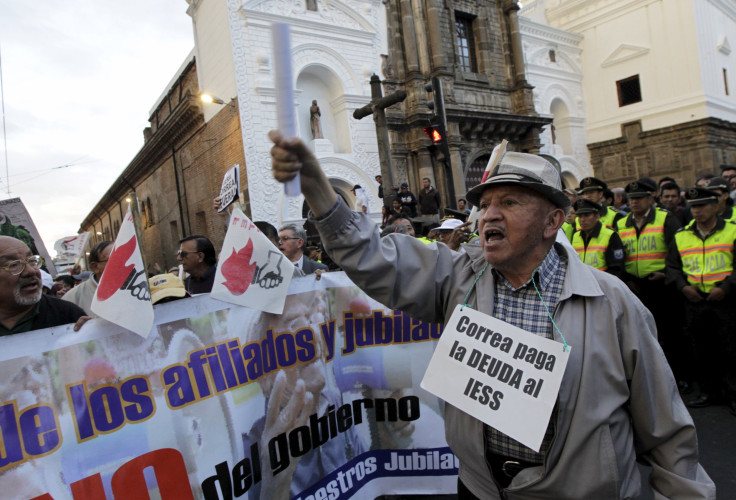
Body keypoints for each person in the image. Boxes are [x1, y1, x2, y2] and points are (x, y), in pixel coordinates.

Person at [269, 131, 714, 499]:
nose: (489, 216)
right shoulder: (458, 278)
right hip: (480, 489)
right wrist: (316, 187)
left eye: (511, 203)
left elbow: (666, 431)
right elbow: (369, 254)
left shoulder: (611, 303)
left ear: (552, 221)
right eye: (486, 204)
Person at [666, 187, 736, 414]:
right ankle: (708, 390)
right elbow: (673, 267)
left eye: (703, 205)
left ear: (716, 206)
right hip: (694, 301)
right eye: (694, 206)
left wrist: (726, 287)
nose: (697, 211)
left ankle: (732, 392)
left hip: (724, 300)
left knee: (729, 348)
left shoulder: (732, 232)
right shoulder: (682, 235)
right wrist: (683, 287)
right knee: (701, 348)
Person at [0, 236, 90, 335]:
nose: (30, 271)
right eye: (14, 265)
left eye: (32, 261)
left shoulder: (68, 315)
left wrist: (96, 334)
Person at [571, 199, 625, 278]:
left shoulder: (610, 235)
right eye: (580, 216)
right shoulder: (576, 236)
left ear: (597, 216)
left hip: (603, 285)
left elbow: (616, 268)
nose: (582, 220)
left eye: (586, 215)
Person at [62, 240, 113, 315]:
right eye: (114, 259)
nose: (122, 262)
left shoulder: (135, 289)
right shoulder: (73, 298)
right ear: (95, 267)